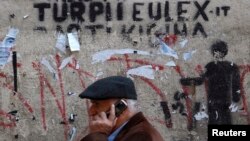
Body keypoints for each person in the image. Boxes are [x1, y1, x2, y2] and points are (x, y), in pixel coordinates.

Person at [79, 76, 164, 141]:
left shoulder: (142, 137)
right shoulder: (129, 131)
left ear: (121, 106)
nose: (90, 111)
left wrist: (98, 134)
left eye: (97, 104)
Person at [201, 40, 241, 124]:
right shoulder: (210, 66)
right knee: (215, 120)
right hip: (213, 99)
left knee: (225, 119)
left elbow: (236, 83)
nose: (216, 54)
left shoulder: (230, 66)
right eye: (215, 51)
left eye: (218, 51)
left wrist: (235, 97)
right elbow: (202, 79)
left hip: (224, 99)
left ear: (223, 52)